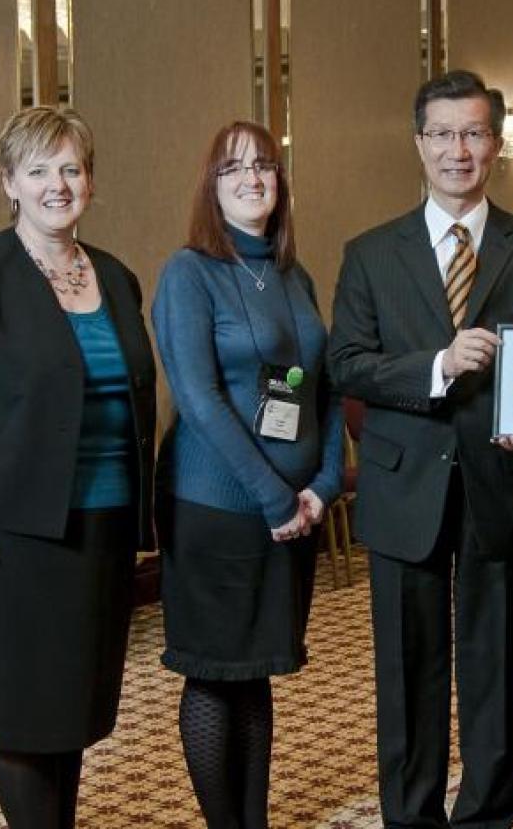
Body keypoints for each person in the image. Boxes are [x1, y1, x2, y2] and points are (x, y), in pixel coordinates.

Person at [327, 70, 513, 829]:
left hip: (500, 480)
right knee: (407, 673)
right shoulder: (370, 252)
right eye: (442, 134)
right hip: (405, 488)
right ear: (418, 144)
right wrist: (438, 363)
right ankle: (411, 816)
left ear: (497, 144)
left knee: (496, 669)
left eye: (473, 133)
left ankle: (488, 816)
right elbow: (348, 362)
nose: (458, 150)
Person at [0, 106, 156, 829]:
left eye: (71, 168)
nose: (57, 185)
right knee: (18, 715)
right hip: (9, 537)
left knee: (69, 709)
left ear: (91, 181)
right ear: (8, 182)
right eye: (39, 170)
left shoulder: (115, 275)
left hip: (100, 530)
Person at [152, 120, 343, 829]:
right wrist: (271, 497)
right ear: (212, 185)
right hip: (217, 508)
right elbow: (198, 399)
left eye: (263, 165)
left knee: (256, 671)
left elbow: (319, 389)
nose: (251, 178)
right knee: (213, 673)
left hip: (293, 509)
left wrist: (323, 485)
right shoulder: (189, 273)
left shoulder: (296, 274)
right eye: (233, 169)